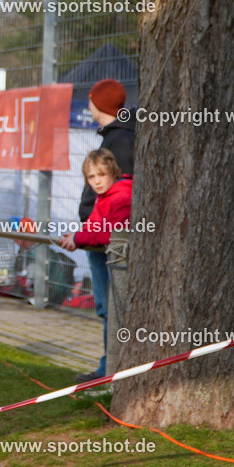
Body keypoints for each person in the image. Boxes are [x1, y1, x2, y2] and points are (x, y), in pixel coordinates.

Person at [60, 149, 132, 379]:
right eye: (91, 176)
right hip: (102, 260)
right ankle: (108, 365)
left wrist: (79, 238)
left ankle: (110, 369)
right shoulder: (105, 196)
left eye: (102, 174)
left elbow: (111, 232)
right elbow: (93, 226)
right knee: (106, 311)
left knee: (113, 312)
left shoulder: (122, 195)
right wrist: (78, 236)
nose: (97, 181)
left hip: (115, 265)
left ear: (113, 171)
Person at [78, 78, 135, 221]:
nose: (89, 106)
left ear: (100, 104)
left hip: (106, 225)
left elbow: (122, 189)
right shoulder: (113, 135)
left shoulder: (122, 140)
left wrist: (94, 221)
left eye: (91, 100)